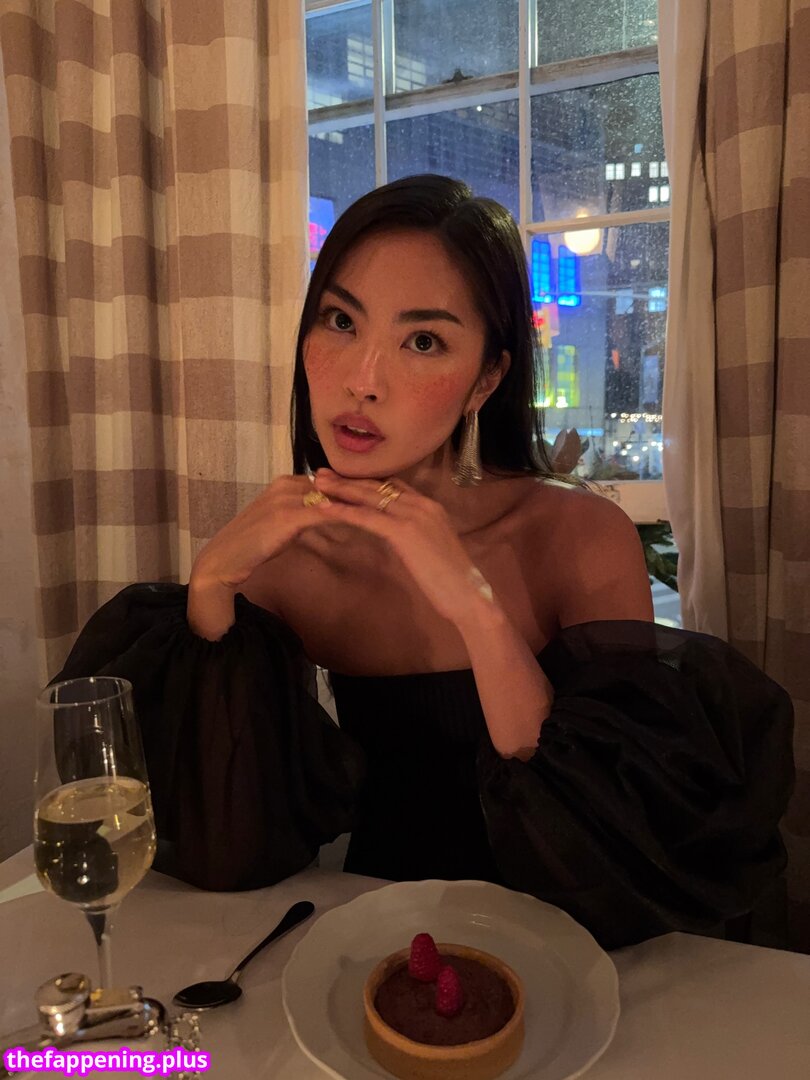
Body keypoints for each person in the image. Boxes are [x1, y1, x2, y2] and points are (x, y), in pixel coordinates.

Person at [56, 175, 793, 949]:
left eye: (423, 341)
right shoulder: (291, 563)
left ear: (486, 379)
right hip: (372, 938)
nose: (362, 381)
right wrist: (210, 589)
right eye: (341, 321)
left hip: (566, 946)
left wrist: (473, 603)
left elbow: (605, 846)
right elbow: (234, 845)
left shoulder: (578, 534)